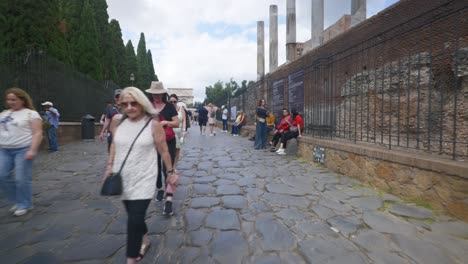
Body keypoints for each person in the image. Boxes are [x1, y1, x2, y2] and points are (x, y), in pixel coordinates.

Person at [103, 87, 178, 264]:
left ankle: (132, 257)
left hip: (145, 176)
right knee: (133, 214)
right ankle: (144, 239)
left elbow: (164, 150)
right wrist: (109, 165)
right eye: (125, 104)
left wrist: (170, 172)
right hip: (124, 176)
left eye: (134, 102)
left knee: (134, 217)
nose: (129, 107)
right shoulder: (117, 121)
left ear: (142, 102)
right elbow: (114, 144)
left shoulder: (153, 124)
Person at [0, 88, 43, 216]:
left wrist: (32, 150)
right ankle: (18, 200)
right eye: (8, 99)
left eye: (14, 99)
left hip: (23, 149)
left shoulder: (31, 114)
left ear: (22, 100)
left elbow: (38, 133)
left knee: (21, 178)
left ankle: (25, 204)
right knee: (2, 175)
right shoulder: (4, 114)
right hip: (4, 149)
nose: (11, 102)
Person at [145, 81, 179, 209]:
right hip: (153, 141)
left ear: (163, 94)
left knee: (167, 168)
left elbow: (177, 123)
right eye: (154, 94)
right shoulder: (148, 106)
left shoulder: (170, 106)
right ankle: (159, 188)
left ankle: (169, 199)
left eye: (159, 94)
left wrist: (165, 122)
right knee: (155, 168)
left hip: (168, 140)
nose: (156, 96)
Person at [169, 94, 186, 170]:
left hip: (179, 132)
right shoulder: (167, 109)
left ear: (177, 101)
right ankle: (170, 166)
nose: (172, 103)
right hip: (170, 131)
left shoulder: (181, 109)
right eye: (171, 101)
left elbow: (184, 120)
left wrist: (184, 130)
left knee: (177, 150)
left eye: (174, 101)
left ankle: (174, 166)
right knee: (170, 150)